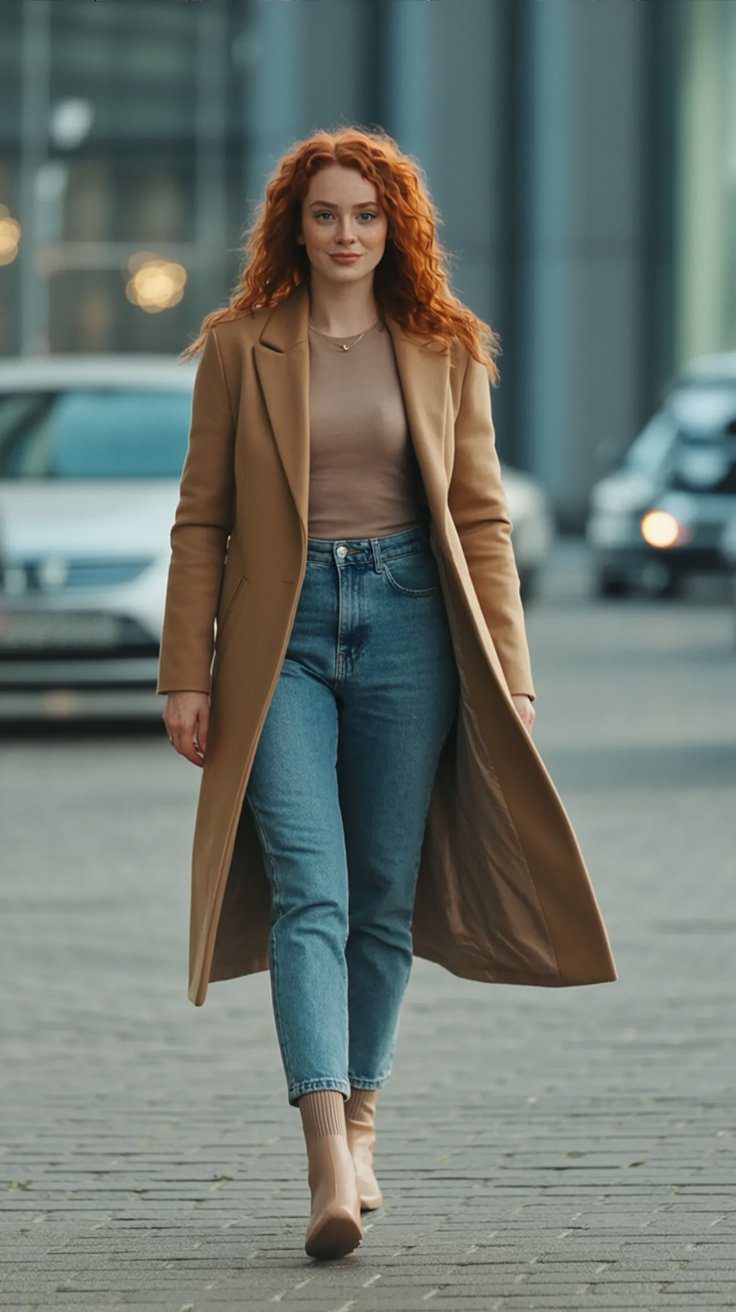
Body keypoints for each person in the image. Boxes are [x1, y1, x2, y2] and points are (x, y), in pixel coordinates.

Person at [159, 125, 616, 1262]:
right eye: (325, 214)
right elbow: (200, 519)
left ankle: (364, 1116)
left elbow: (480, 517)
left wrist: (509, 672)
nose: (346, 233)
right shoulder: (238, 343)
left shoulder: (444, 346)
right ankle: (323, 1151)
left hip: (414, 622)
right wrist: (184, 673)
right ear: (294, 228)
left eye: (365, 214)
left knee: (381, 891)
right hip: (281, 640)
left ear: (393, 225)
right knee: (310, 884)